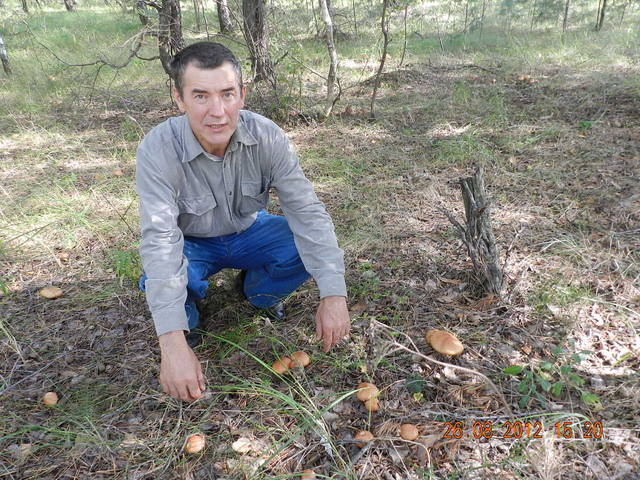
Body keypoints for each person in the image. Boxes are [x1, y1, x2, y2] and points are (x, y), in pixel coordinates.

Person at [135, 42, 350, 403]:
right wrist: (170, 342)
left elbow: (307, 212)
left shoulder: (267, 136)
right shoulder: (158, 149)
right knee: (164, 275)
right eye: (200, 96)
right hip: (190, 242)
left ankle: (257, 293)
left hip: (250, 231)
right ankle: (188, 320)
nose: (217, 112)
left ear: (242, 95)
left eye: (227, 94)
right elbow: (160, 239)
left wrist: (334, 294)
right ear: (179, 98)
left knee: (297, 243)